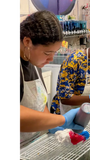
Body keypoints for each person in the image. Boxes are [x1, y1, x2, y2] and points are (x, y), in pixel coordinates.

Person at [17, 10, 84, 148]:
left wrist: (52, 125)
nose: (51, 59)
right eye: (47, 53)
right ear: (27, 41)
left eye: (54, 52)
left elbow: (40, 102)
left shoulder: (33, 60)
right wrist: (60, 119)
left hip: (33, 145)